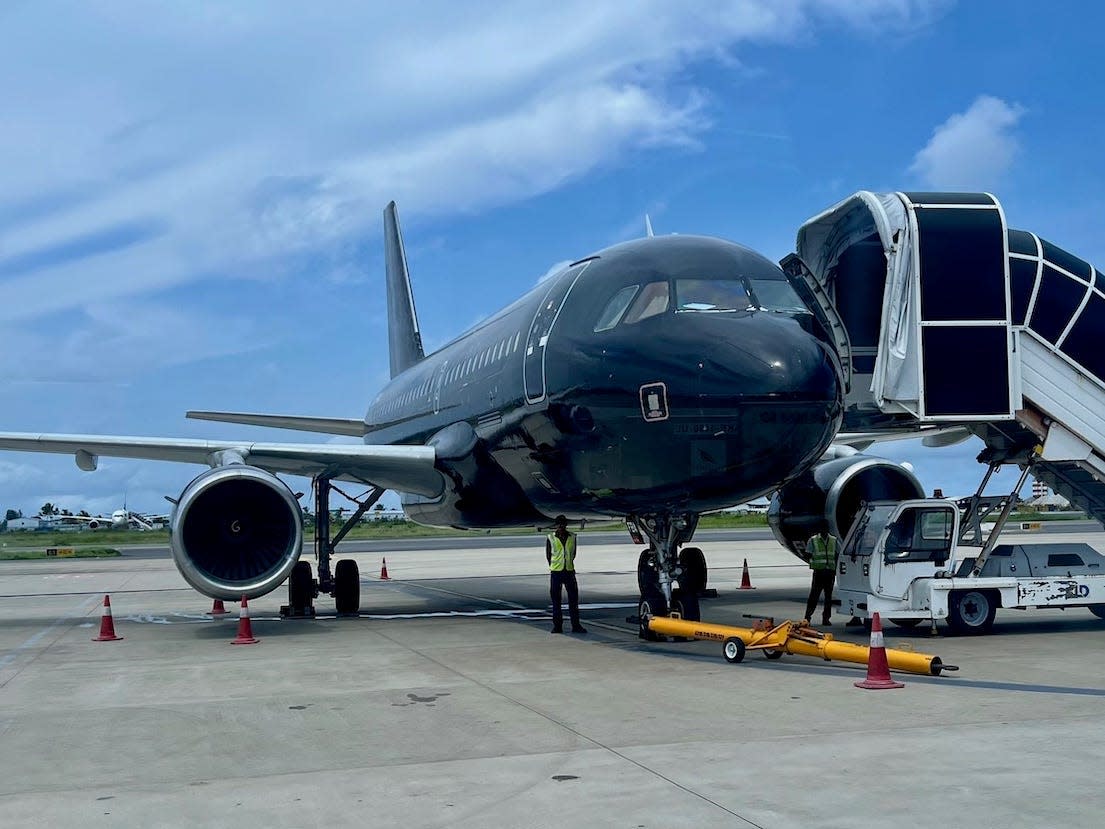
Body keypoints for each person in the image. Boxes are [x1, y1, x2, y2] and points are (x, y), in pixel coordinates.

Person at [546, 515, 586, 634]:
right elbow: (549, 555)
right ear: (556, 526)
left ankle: (576, 625)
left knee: (573, 601)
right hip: (556, 573)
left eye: (563, 525)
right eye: (559, 525)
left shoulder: (572, 537)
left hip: (569, 572)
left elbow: (573, 553)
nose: (561, 527)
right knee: (556, 601)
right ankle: (557, 626)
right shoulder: (551, 538)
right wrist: (555, 566)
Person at [804, 527, 838, 626]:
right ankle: (807, 617)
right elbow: (808, 553)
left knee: (828, 598)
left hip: (829, 572)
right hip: (819, 572)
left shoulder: (833, 540)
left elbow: (837, 554)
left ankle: (825, 619)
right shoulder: (813, 540)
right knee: (814, 596)